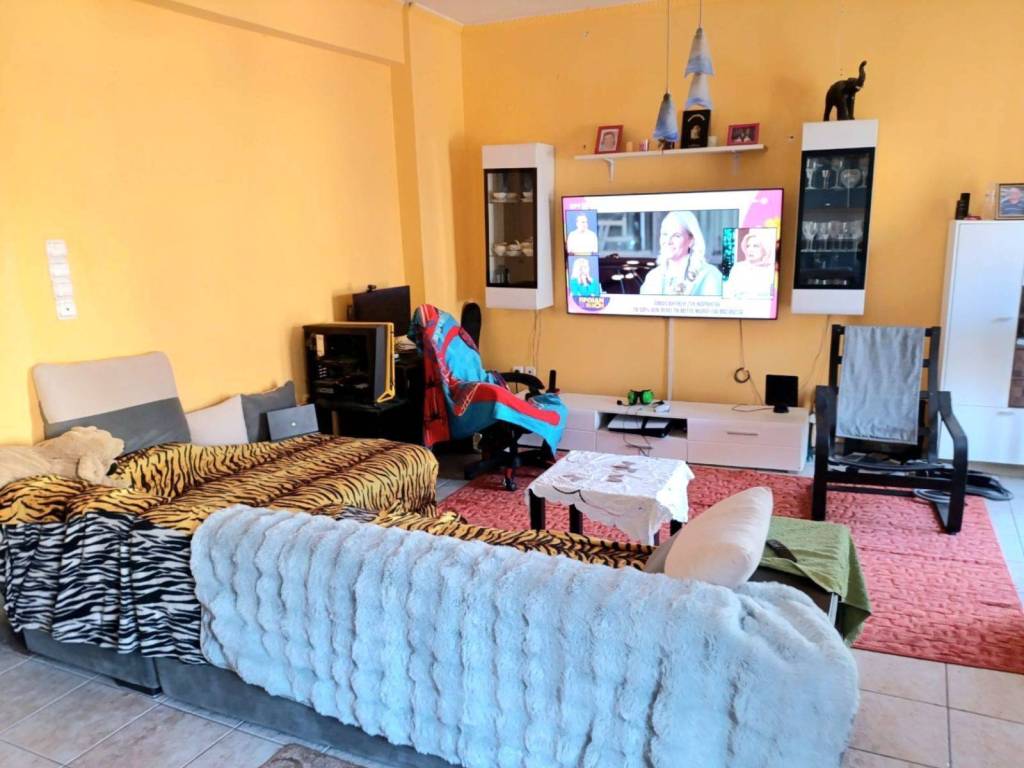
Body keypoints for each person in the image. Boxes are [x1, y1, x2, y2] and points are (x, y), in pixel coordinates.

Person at [639, 211, 723, 296]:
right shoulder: (652, 277)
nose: (668, 241)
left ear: (691, 241)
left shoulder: (710, 276)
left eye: (677, 236)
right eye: (665, 234)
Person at [724, 229, 776, 299]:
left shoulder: (771, 270)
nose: (750, 249)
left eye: (755, 246)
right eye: (748, 246)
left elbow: (772, 297)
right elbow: (729, 294)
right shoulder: (738, 268)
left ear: (764, 249)